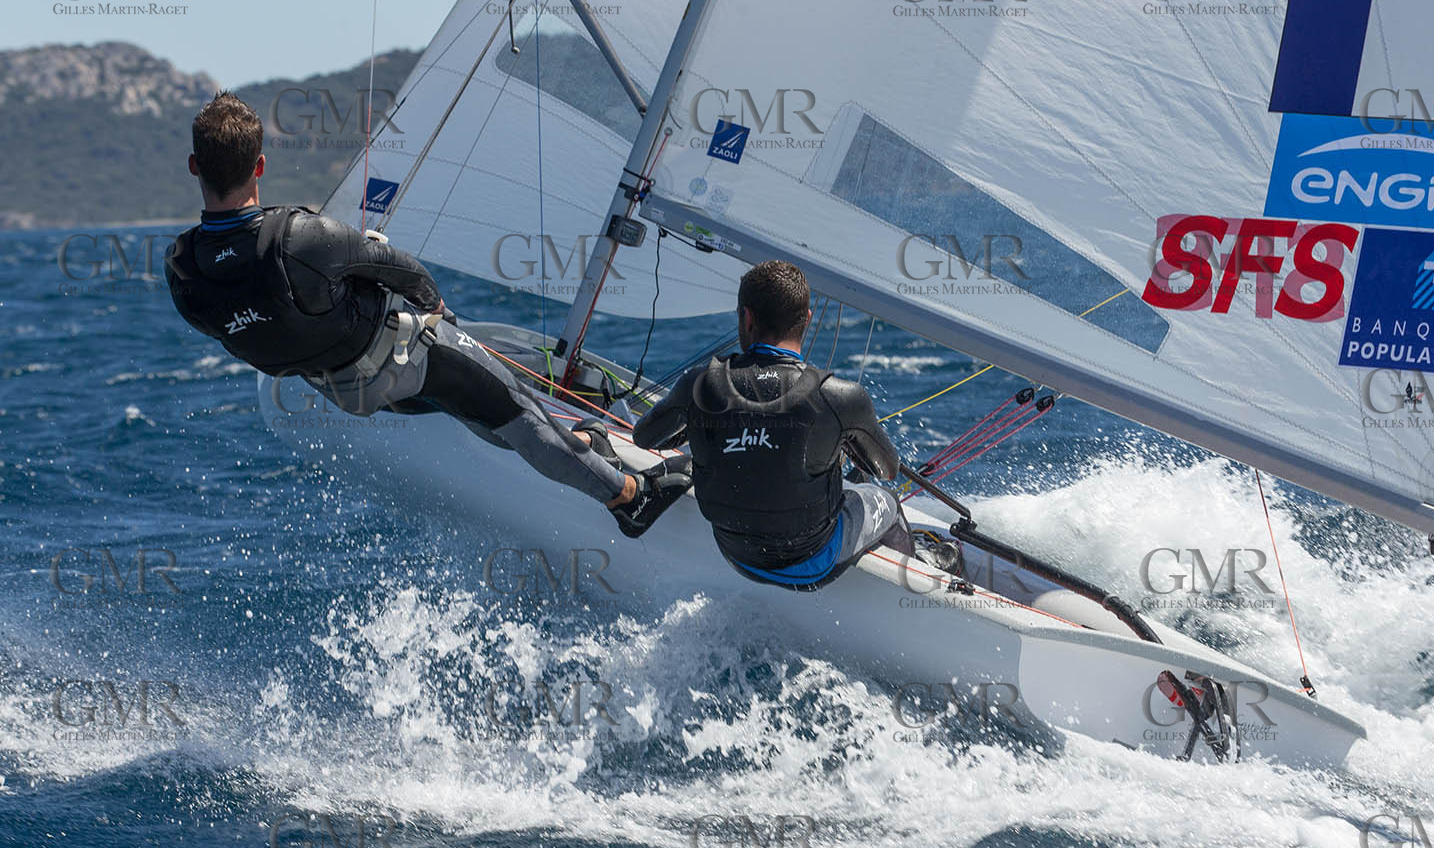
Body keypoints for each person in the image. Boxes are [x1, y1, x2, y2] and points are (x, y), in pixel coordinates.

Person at [163, 91, 689, 537]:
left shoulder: (183, 268)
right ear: (259, 165)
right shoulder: (299, 237)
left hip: (348, 389)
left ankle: (583, 444)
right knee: (520, 411)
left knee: (483, 405)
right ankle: (629, 496)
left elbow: (229, 327)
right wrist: (442, 316)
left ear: (193, 166)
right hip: (410, 358)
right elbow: (408, 274)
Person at [632, 260, 912, 590]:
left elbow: (645, 437)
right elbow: (886, 470)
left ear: (746, 317)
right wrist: (842, 435)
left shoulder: (700, 383)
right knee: (887, 500)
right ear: (807, 319)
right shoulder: (841, 397)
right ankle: (913, 585)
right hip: (812, 563)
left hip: (735, 553)